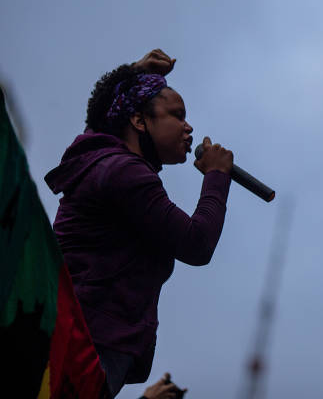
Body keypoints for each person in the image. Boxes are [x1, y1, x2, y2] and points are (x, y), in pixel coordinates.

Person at [45, 50, 233, 398]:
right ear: (138, 121)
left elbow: (101, 117)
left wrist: (127, 74)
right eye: (177, 115)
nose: (189, 127)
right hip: (84, 342)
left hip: (82, 337)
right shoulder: (123, 171)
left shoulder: (102, 158)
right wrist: (217, 177)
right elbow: (196, 244)